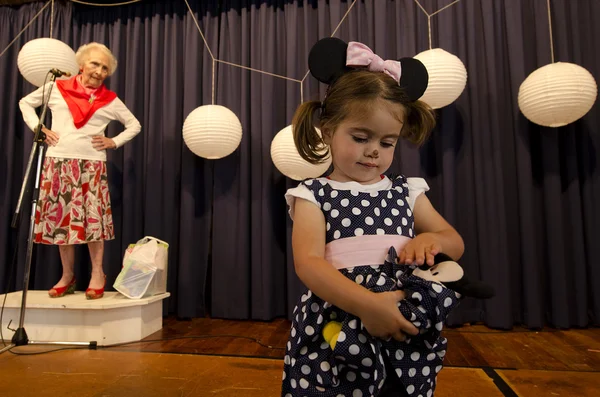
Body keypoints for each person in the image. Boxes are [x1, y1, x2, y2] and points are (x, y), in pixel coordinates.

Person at [281, 38, 465, 397]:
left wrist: (433, 240)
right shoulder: (312, 194)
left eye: (387, 143)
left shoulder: (407, 190)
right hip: (336, 319)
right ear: (329, 130)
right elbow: (308, 264)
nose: (373, 152)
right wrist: (367, 306)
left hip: (403, 316)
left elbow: (453, 241)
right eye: (361, 137)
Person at [19, 42, 141, 300]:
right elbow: (25, 104)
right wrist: (39, 129)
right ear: (82, 65)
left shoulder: (110, 100)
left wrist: (113, 141)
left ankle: (98, 273)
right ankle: (68, 276)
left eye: (105, 68)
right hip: (59, 162)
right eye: (95, 64)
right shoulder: (57, 88)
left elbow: (134, 125)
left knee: (92, 221)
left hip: (91, 165)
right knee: (64, 223)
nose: (99, 71)